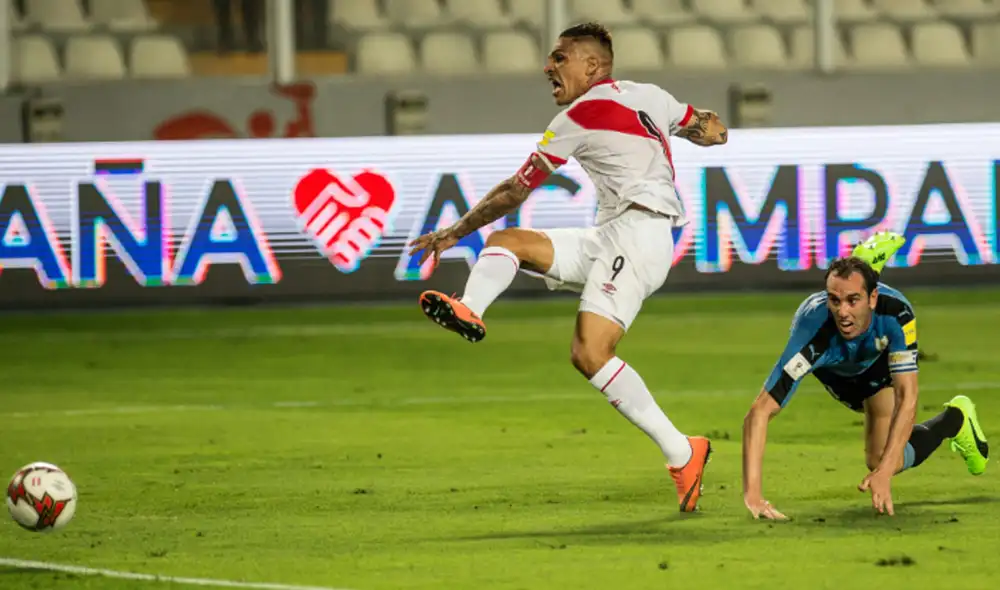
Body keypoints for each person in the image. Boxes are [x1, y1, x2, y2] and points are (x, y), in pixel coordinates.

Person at [408, 22, 729, 512]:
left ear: (592, 66)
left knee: (590, 352)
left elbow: (516, 190)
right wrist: (705, 128)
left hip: (639, 236)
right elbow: (710, 129)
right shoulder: (649, 95)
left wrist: (453, 233)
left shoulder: (579, 116)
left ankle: (684, 451)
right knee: (508, 242)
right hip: (614, 234)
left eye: (559, 58)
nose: (548, 67)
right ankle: (469, 308)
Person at [742, 254, 989, 520]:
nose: (842, 311)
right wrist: (753, 496)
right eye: (834, 300)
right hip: (834, 369)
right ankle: (865, 259)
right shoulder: (811, 334)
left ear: (872, 299)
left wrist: (884, 473)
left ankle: (955, 419)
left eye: (853, 300)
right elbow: (760, 412)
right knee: (881, 459)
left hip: (877, 363)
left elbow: (908, 396)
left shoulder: (896, 313)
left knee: (881, 459)